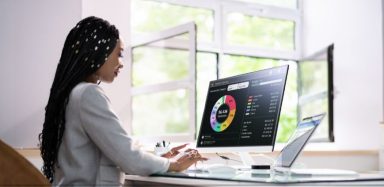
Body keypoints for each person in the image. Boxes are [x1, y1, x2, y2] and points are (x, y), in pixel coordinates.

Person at [39, 16, 207, 186]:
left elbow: (116, 154)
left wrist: (160, 160)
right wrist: (175, 164)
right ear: (98, 51)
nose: (121, 63)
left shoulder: (70, 93)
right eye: (119, 54)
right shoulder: (88, 94)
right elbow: (129, 158)